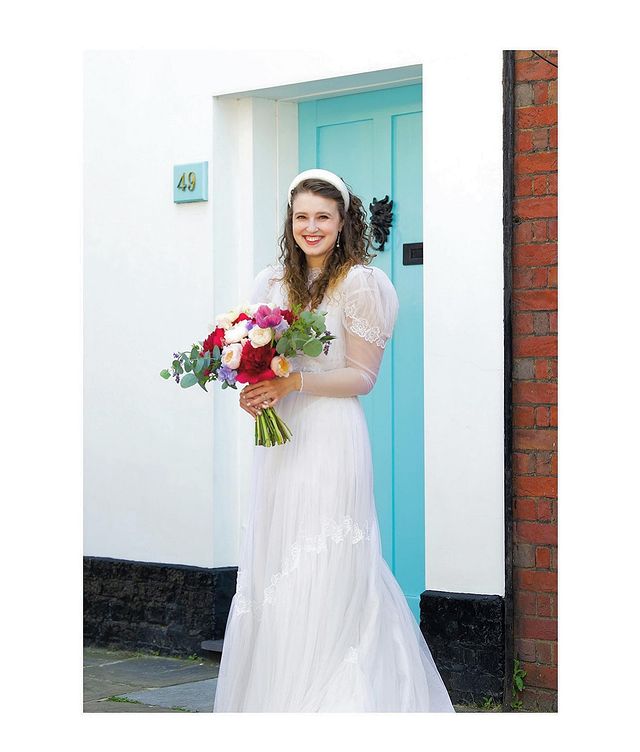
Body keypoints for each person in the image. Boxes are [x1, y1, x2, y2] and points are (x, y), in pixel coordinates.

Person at [212, 168, 455, 712]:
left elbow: (362, 377)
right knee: (276, 559)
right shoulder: (269, 284)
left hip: (331, 438)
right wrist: (254, 392)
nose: (311, 227)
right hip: (280, 443)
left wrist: (291, 383)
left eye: (323, 217)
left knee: (327, 559)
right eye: (301, 217)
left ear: (343, 222)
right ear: (290, 222)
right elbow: (257, 364)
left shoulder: (362, 284)